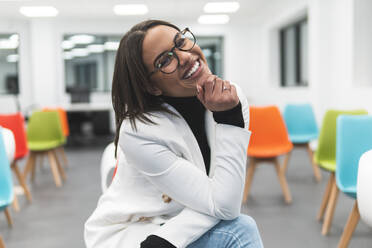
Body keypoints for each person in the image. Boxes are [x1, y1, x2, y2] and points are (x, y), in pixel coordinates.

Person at [84, 19, 263, 248]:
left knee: (239, 227)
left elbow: (225, 200)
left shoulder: (230, 98)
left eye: (181, 41)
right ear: (151, 86)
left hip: (175, 229)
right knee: (239, 230)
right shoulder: (139, 131)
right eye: (166, 60)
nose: (186, 56)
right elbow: (225, 204)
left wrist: (229, 115)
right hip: (136, 232)